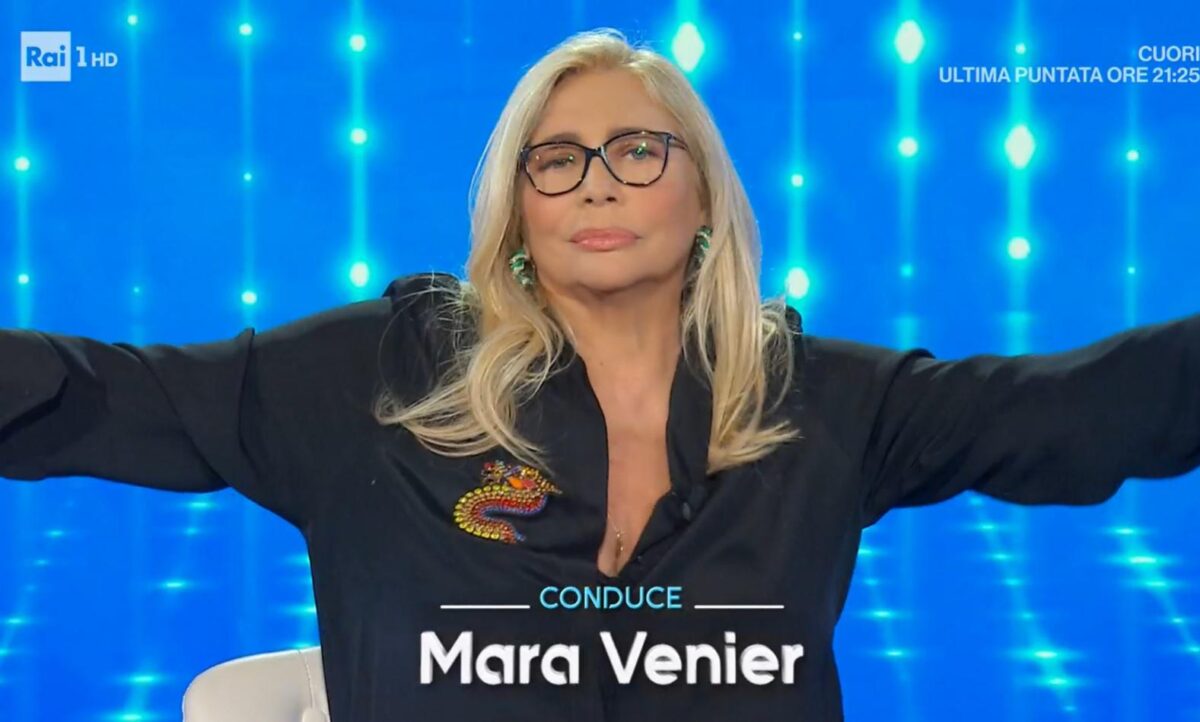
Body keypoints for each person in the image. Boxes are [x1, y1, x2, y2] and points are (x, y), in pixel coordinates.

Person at [2, 27, 1198, 722]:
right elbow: (106, 392)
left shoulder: (820, 399)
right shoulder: (381, 379)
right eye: (557, 158)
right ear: (519, 212)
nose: (597, 181)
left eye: (636, 149)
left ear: (705, 197)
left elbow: (1075, 410)